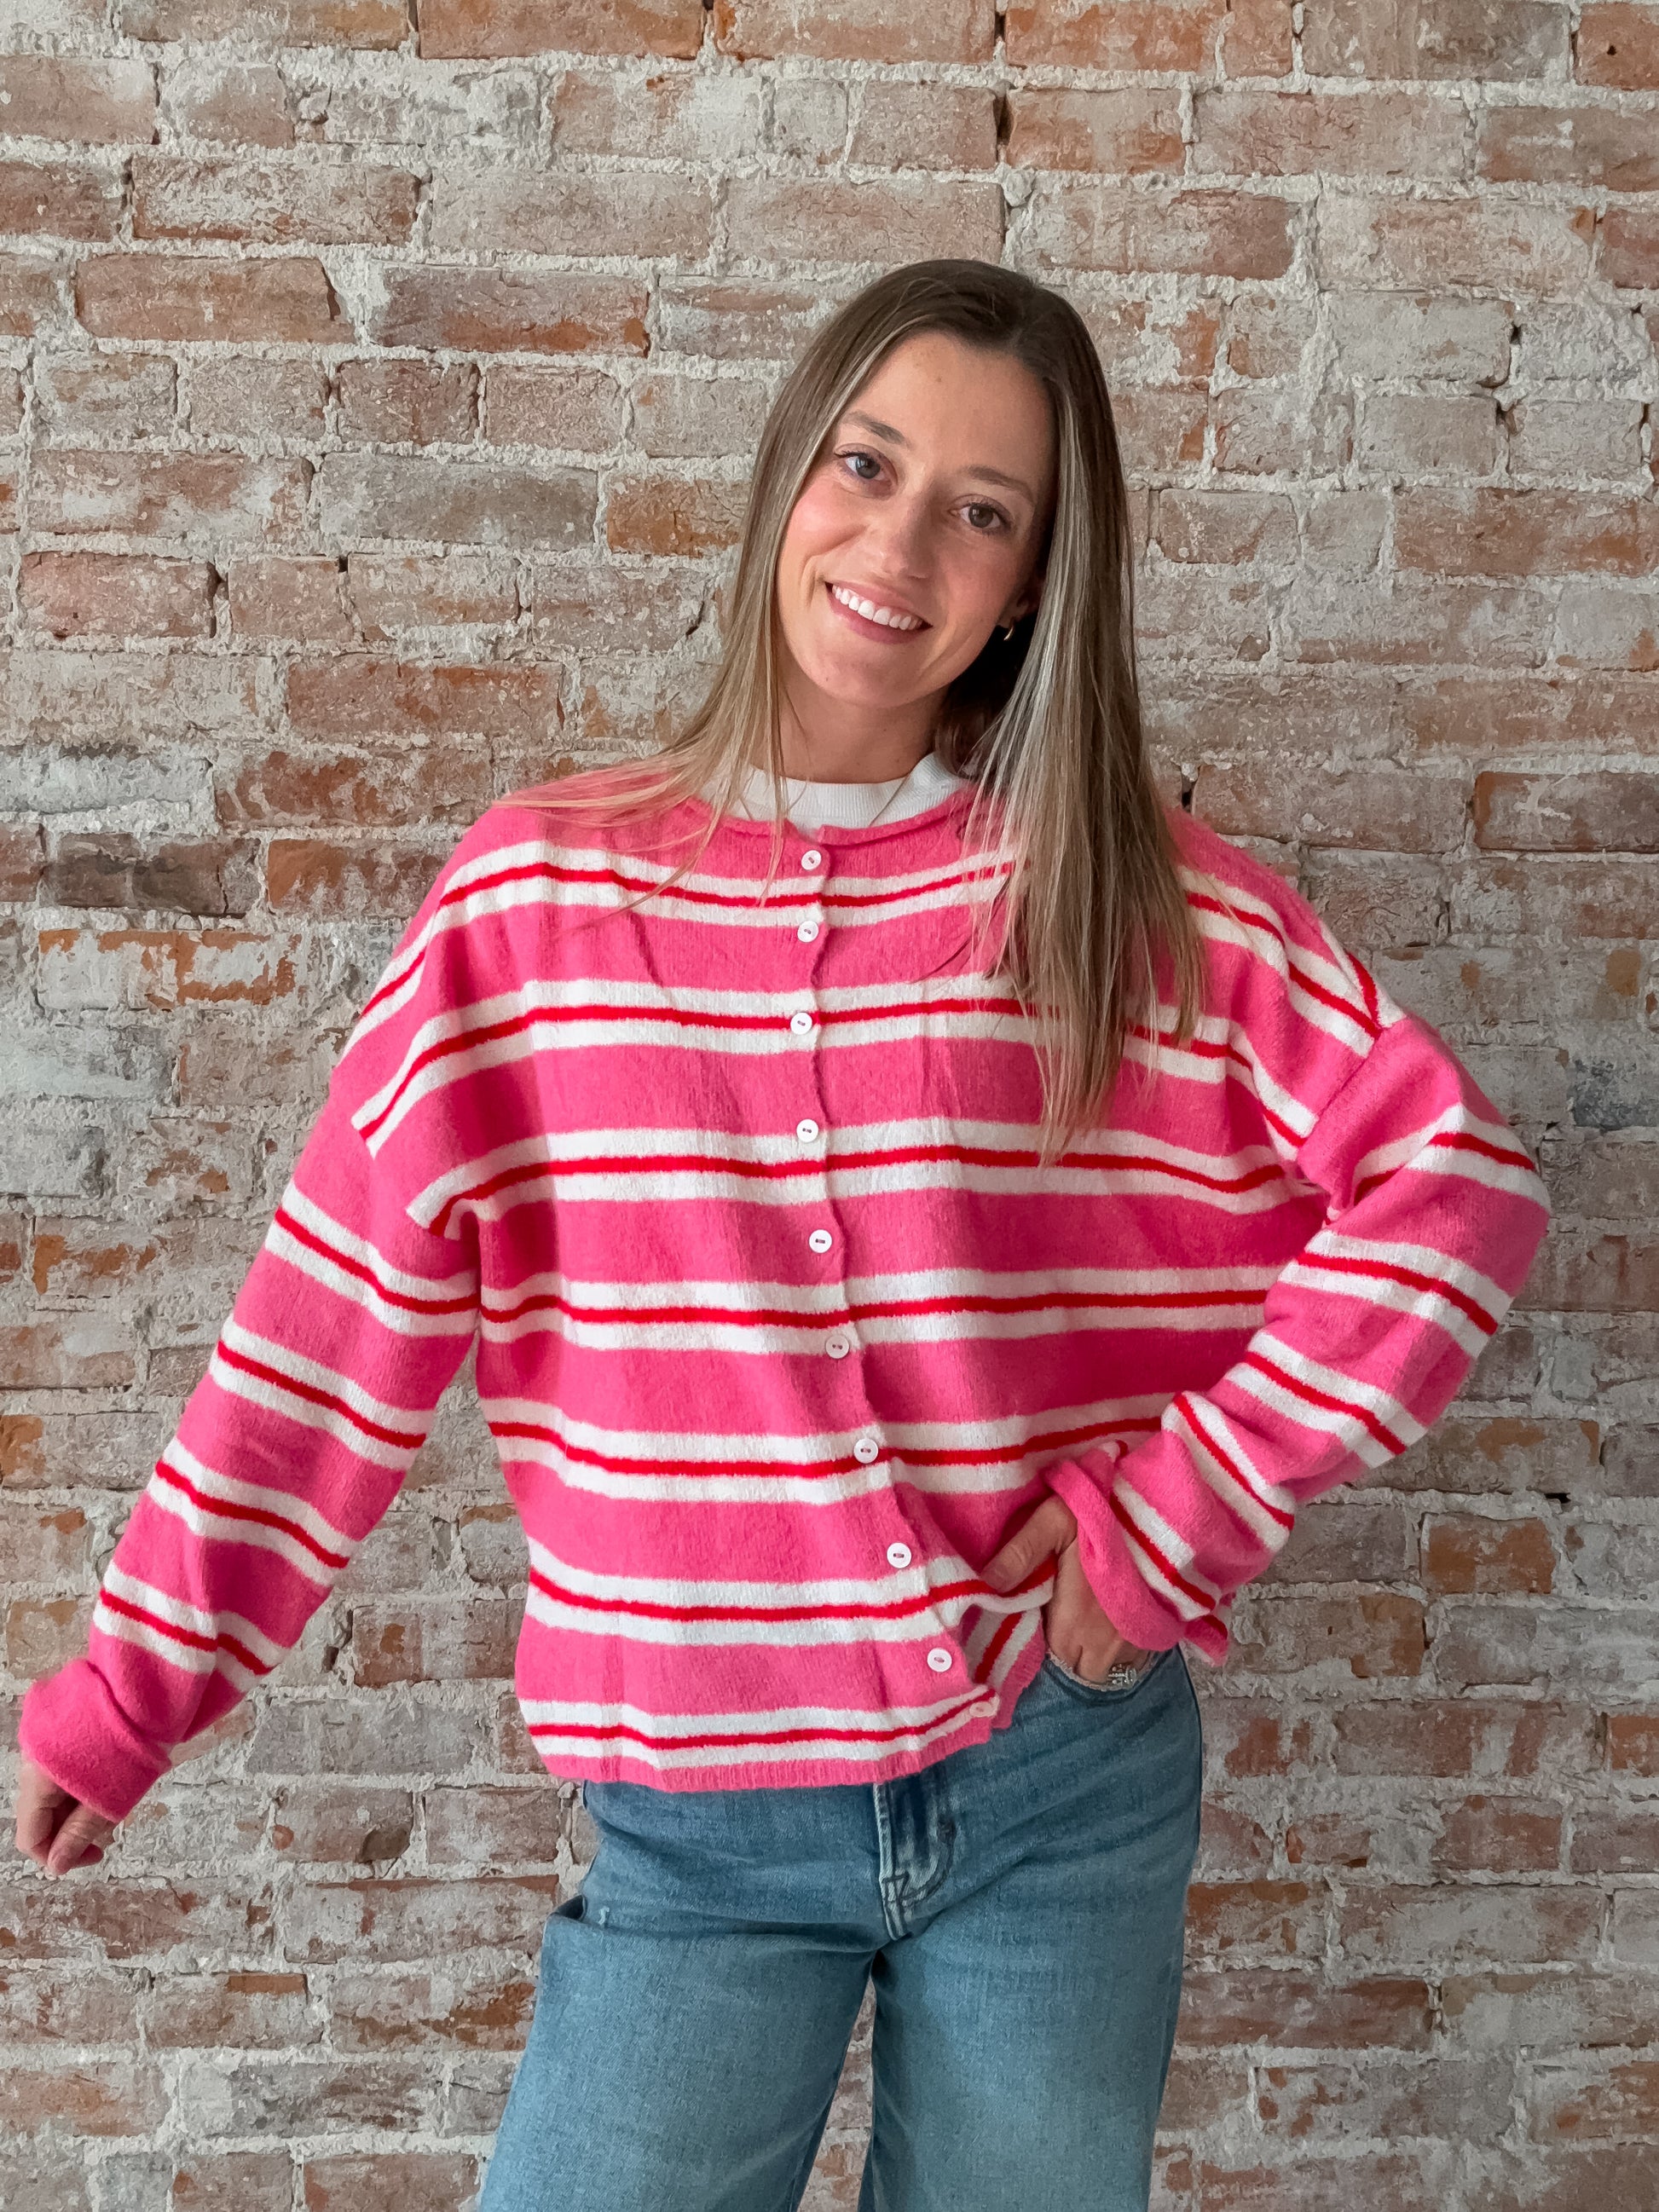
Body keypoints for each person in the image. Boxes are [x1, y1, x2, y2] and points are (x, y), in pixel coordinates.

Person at [14, 259, 1551, 2211]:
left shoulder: (1127, 895)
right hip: (693, 1817)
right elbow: (329, 1323)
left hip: (1057, 1779)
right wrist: (137, 1685)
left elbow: (1455, 1186)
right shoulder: (542, 899)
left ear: (1031, 582)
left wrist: (1176, 1517)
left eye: (983, 511)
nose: (900, 540)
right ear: (785, 476)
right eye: (867, 461)